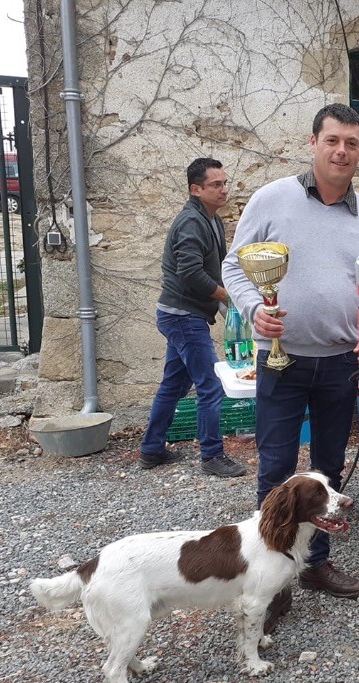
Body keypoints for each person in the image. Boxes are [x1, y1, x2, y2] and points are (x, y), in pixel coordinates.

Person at [222, 104, 359, 599]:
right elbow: (234, 266)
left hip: (342, 361)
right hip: (283, 359)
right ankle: (268, 580)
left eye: (353, 144)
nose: (342, 151)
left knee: (328, 470)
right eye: (333, 140)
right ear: (313, 143)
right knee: (276, 469)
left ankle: (315, 563)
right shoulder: (272, 199)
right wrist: (255, 308)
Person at [138, 157, 247, 478]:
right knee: (210, 386)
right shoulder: (191, 222)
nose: (224, 189)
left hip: (183, 315)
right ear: (195, 189)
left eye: (225, 183)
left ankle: (151, 450)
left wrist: (229, 306)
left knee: (173, 386)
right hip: (183, 317)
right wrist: (227, 297)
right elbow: (189, 273)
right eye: (216, 185)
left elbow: (213, 269)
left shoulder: (210, 218)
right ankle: (212, 456)